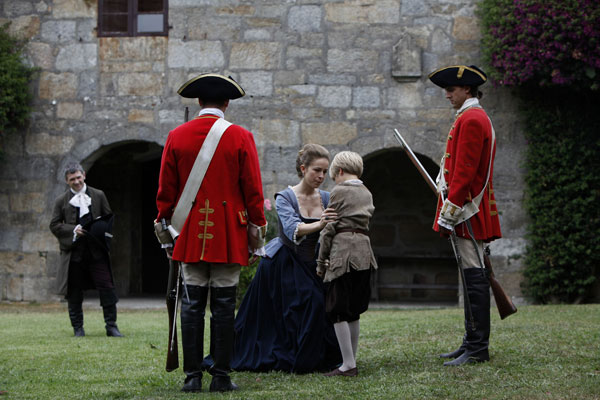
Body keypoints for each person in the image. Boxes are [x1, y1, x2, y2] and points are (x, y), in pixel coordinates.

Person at [155, 73, 267, 392]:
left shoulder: (177, 135)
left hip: (189, 232)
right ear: (227, 103)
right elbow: (253, 192)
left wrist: (166, 229)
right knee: (223, 306)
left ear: (199, 102)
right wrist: (256, 236)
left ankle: (192, 378)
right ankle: (220, 376)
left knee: (191, 305)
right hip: (230, 234)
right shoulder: (241, 136)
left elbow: (165, 192)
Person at [232, 143, 342, 373]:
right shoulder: (285, 197)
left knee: (320, 305)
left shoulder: (326, 197)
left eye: (325, 171)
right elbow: (293, 228)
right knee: (307, 302)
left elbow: (335, 230)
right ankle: (295, 357)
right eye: (316, 170)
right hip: (285, 261)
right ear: (303, 168)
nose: (321, 176)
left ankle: (315, 358)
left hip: (314, 262)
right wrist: (321, 224)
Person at [428, 65, 502, 366]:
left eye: (451, 89)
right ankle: (470, 341)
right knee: (471, 275)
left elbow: (466, 172)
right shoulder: (469, 116)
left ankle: (477, 347)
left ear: (467, 90)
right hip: (466, 208)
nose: (447, 94)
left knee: (474, 276)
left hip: (467, 209)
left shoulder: (472, 119)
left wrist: (451, 209)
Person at [316, 151, 377, 377]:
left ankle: (348, 365)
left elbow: (330, 228)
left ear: (339, 171)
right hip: (364, 252)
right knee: (353, 309)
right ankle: (350, 359)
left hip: (343, 253)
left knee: (337, 308)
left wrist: (321, 261)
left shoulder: (339, 191)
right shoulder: (366, 192)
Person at [49, 162, 123, 338]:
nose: (76, 181)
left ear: (84, 175)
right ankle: (78, 329)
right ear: (67, 181)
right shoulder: (61, 201)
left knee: (107, 287)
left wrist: (100, 231)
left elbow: (109, 218)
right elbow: (54, 225)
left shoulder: (98, 195)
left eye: (78, 177)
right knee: (74, 292)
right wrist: (73, 230)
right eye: (72, 179)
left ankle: (111, 326)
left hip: (96, 252)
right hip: (74, 254)